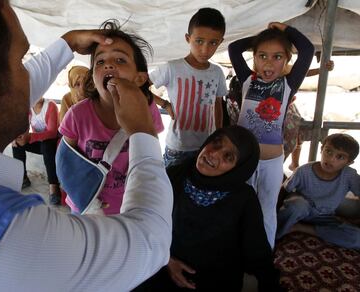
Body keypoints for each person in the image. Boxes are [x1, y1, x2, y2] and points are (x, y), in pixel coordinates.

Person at [0, 1, 172, 291]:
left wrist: (67, 43)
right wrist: (142, 133)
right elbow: (151, 239)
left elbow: (4, 92)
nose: (30, 77)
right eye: (22, 61)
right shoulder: (9, 236)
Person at [135, 126, 282, 291]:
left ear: (238, 168)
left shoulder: (243, 199)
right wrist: (166, 260)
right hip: (162, 267)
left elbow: (257, 252)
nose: (214, 153)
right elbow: (144, 224)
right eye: (216, 143)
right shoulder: (175, 176)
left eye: (228, 156)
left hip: (214, 281)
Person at [59, 20, 164, 215]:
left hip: (128, 209)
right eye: (100, 61)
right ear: (93, 76)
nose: (108, 65)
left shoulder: (147, 110)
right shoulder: (77, 114)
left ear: (140, 78)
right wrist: (84, 199)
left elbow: (152, 156)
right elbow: (65, 161)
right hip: (86, 208)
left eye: (120, 60)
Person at [228, 22, 314, 248]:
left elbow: (307, 50)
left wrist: (285, 30)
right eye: (262, 55)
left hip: (271, 161)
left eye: (277, 57)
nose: (268, 62)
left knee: (267, 209)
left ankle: (264, 257)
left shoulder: (288, 84)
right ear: (254, 58)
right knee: (238, 206)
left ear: (286, 61)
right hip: (243, 158)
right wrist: (260, 36)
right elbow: (234, 49)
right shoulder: (247, 80)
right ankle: (237, 251)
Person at [150, 8, 227, 167]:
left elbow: (218, 104)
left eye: (213, 43)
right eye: (199, 41)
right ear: (188, 38)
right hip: (177, 146)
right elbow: (140, 86)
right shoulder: (172, 68)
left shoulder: (217, 72)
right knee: (172, 187)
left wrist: (217, 135)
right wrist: (164, 104)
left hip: (205, 146)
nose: (205, 50)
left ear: (220, 41)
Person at [277, 133, 360, 249]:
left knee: (357, 238)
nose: (331, 159)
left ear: (349, 162)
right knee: (297, 205)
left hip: (325, 217)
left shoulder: (349, 175)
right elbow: (284, 190)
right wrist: (274, 214)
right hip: (301, 211)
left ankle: (299, 227)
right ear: (321, 150)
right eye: (329, 151)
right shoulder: (303, 171)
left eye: (340, 157)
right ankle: (276, 235)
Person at [284, 60, 335, 170]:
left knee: (297, 133)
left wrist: (321, 69)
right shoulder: (263, 70)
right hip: (271, 107)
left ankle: (294, 164)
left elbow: (302, 72)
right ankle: (283, 164)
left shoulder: (284, 68)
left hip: (287, 106)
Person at [12, 96, 61, 205]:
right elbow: (22, 128)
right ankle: (23, 177)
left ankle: (54, 185)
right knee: (17, 144)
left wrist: (30, 137)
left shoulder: (50, 106)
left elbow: (52, 133)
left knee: (46, 145)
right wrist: (17, 138)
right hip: (38, 142)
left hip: (52, 143)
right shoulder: (28, 109)